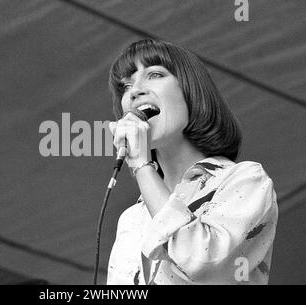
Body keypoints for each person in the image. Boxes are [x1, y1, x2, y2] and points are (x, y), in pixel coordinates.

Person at [107, 39, 278, 285]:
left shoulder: (244, 180)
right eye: (126, 85)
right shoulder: (132, 218)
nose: (135, 91)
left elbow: (202, 265)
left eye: (155, 74)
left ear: (191, 91)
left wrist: (142, 166)